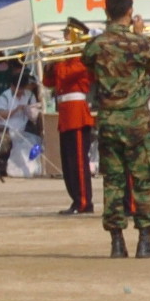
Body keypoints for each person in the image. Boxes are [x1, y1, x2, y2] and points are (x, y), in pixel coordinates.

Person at [82, 0, 150, 259]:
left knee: (114, 181)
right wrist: (139, 34)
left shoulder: (96, 44)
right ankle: (144, 240)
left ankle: (117, 242)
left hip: (108, 120)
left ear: (106, 13)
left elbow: (87, 61)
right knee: (144, 179)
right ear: (130, 11)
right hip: (136, 120)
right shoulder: (140, 43)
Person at [44, 26, 96, 215]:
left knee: (78, 161)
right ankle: (75, 199)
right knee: (68, 161)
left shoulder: (83, 57)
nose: (64, 38)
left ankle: (84, 201)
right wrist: (49, 64)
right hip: (66, 113)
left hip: (77, 113)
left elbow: (66, 74)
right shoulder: (66, 58)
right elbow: (49, 82)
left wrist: (56, 62)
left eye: (68, 34)